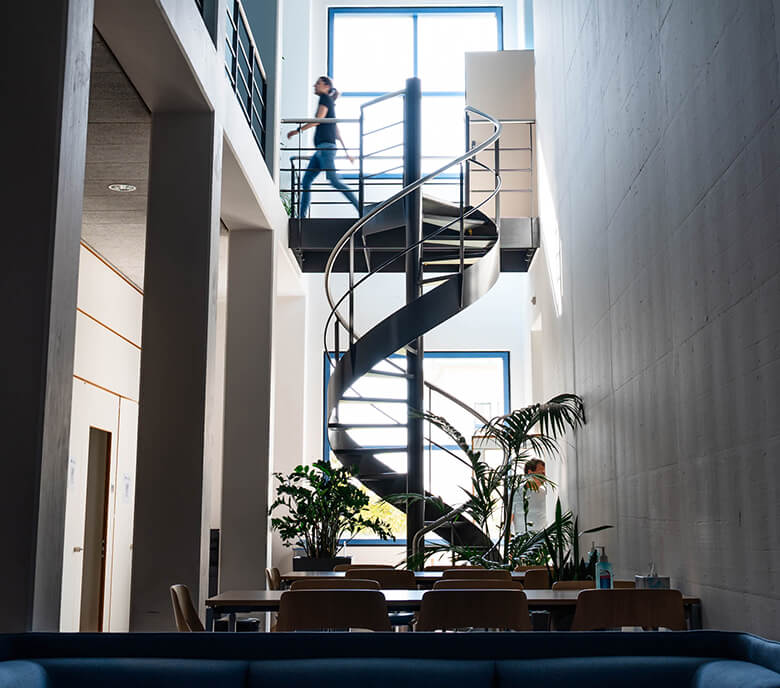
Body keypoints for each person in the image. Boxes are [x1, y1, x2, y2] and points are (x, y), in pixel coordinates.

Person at [287, 75, 359, 218]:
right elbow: (336, 131)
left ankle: (360, 208)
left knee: (334, 180)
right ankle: (301, 218)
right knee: (306, 180)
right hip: (321, 150)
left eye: (318, 83)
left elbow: (317, 120)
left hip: (326, 149)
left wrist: (297, 130)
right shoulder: (330, 102)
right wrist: (346, 153)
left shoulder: (325, 99)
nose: (315, 86)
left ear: (326, 86)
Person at [512, 458, 547, 534]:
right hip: (521, 540)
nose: (544, 475)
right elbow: (509, 520)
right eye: (541, 471)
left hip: (542, 540)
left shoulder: (545, 493)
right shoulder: (516, 493)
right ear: (530, 472)